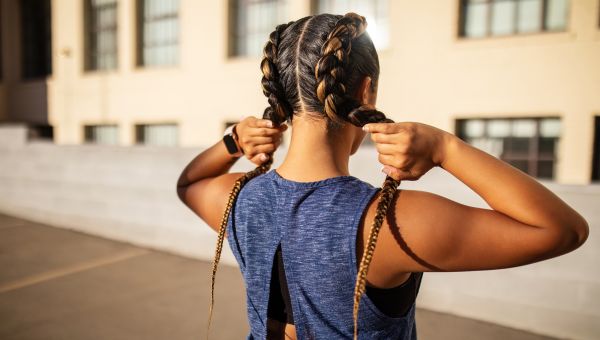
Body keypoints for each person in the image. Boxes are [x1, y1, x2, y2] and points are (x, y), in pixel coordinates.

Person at [176, 13, 589, 340]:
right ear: (367, 93)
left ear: (281, 97)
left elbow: (189, 184)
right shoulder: (387, 222)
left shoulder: (240, 198)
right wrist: (446, 148)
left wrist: (232, 141)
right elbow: (561, 230)